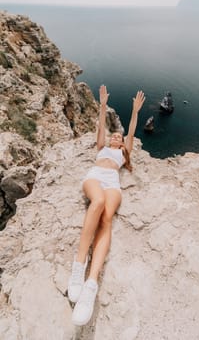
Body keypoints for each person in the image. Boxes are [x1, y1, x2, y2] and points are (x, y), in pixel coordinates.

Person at [68, 85, 145, 326]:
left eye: (118, 138)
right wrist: (102, 106)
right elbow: (100, 126)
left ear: (122, 144)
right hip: (95, 177)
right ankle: (79, 265)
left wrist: (135, 112)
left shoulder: (123, 154)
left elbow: (131, 132)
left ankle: (91, 284)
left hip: (113, 183)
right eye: (114, 136)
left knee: (107, 218)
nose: (115, 137)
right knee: (98, 201)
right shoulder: (101, 148)